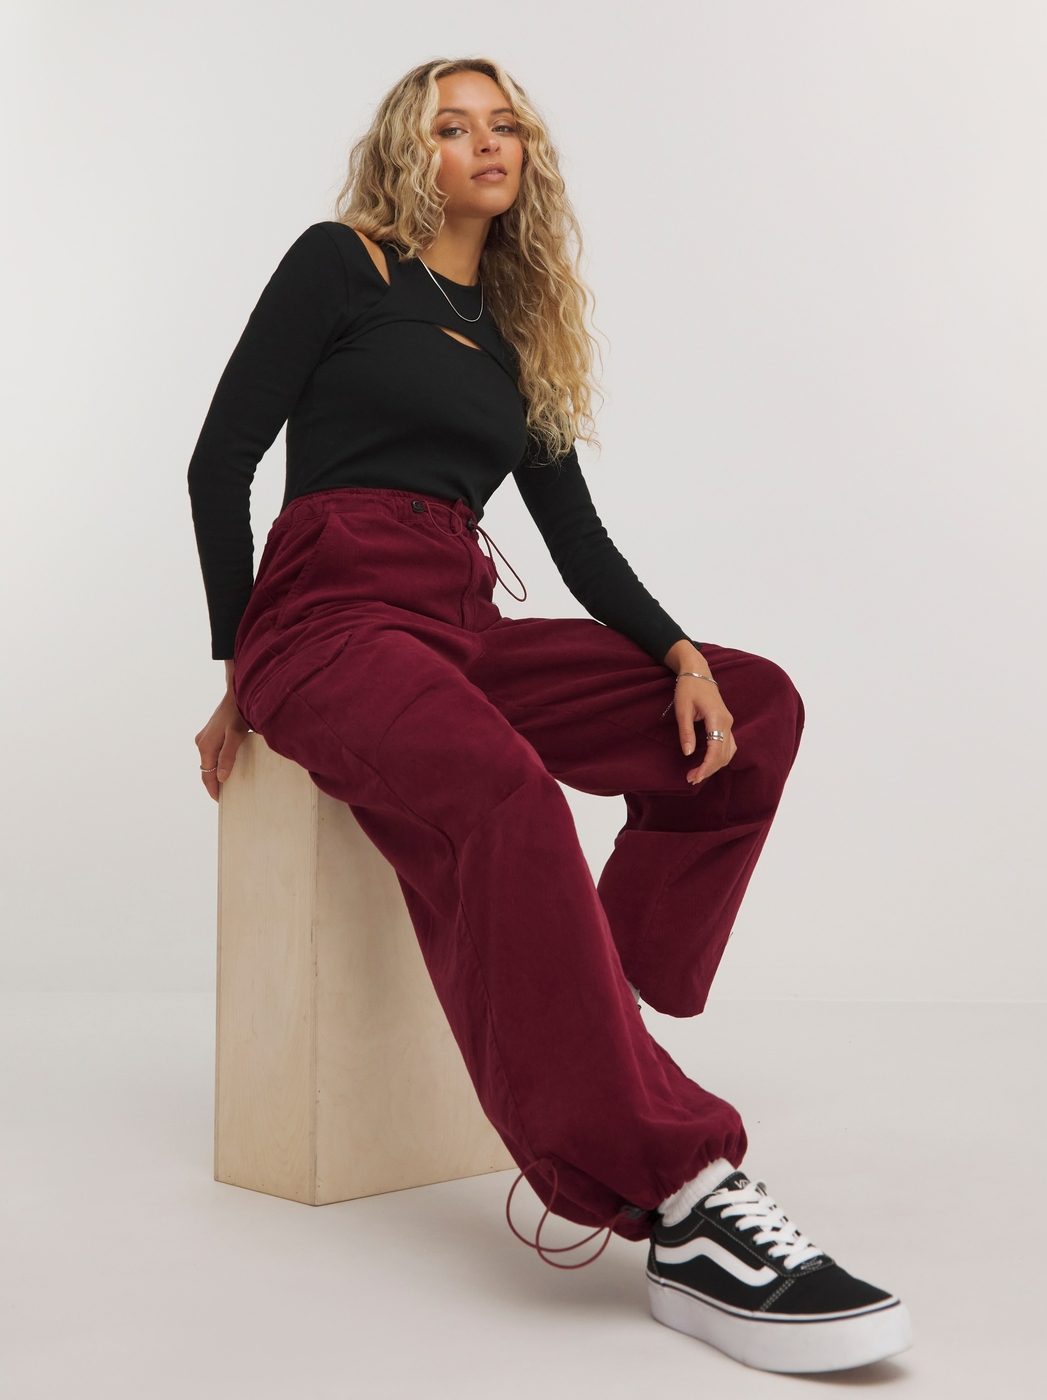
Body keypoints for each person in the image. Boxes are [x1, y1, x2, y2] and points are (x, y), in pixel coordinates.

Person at [188, 57, 911, 1374]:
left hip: (459, 621)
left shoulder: (514, 336)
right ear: (408, 152)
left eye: (505, 123)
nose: (487, 142)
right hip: (329, 617)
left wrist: (677, 651)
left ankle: (601, 996)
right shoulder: (342, 263)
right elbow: (219, 460)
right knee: (506, 788)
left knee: (751, 708)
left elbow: (574, 541)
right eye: (451, 125)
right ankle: (678, 1199)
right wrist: (241, 667)